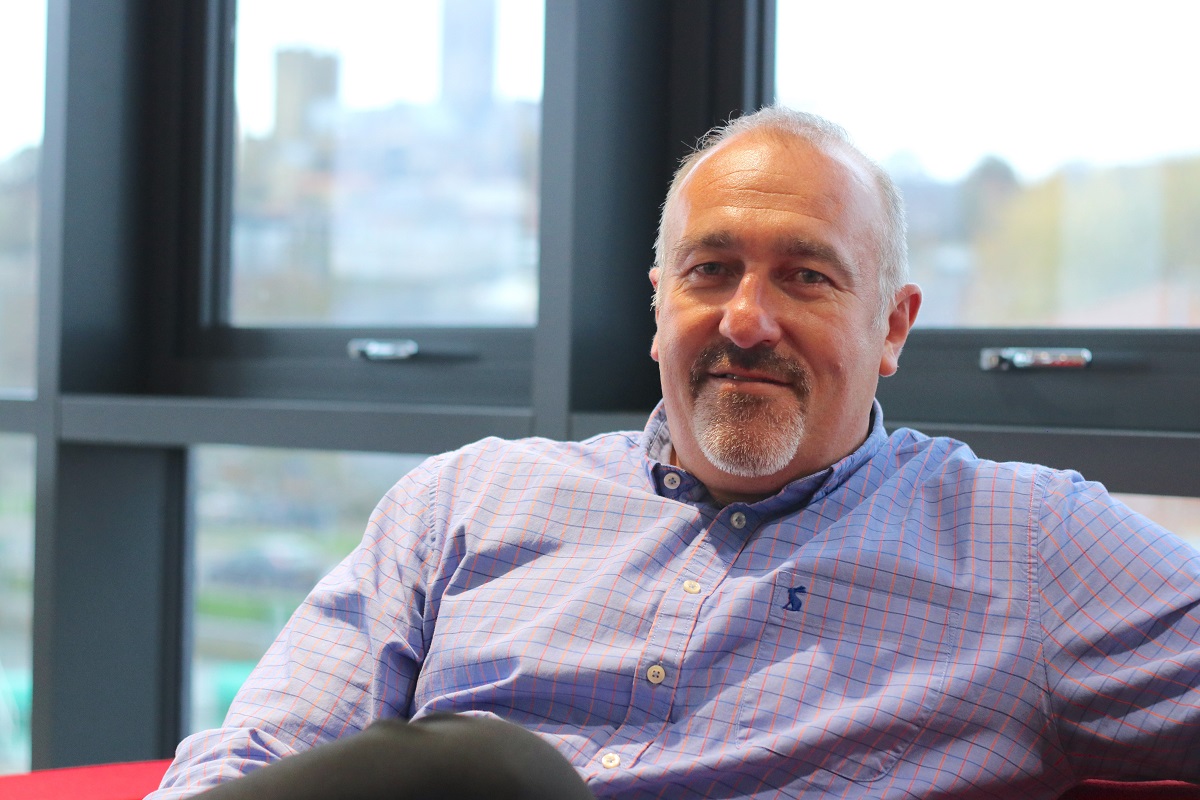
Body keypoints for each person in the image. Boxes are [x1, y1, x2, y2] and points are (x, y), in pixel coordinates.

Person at [148, 106, 1200, 799]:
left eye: (806, 277)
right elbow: (261, 758)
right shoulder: (467, 498)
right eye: (711, 270)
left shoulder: (1027, 544)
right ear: (660, 306)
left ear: (892, 325)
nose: (747, 319)